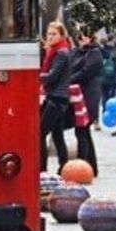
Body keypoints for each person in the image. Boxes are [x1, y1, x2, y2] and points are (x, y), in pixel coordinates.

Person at [39, 22, 72, 173]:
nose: (50, 37)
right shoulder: (55, 51)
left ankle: (42, 169)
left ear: (61, 35)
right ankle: (64, 167)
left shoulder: (61, 52)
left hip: (56, 98)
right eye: (49, 34)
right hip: (57, 97)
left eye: (54, 34)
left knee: (40, 133)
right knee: (57, 135)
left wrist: (35, 76)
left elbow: (53, 76)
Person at [70, 26, 102, 176]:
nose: (81, 38)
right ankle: (90, 166)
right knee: (82, 131)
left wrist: (68, 80)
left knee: (82, 129)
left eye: (84, 35)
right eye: (79, 36)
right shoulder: (76, 52)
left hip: (89, 95)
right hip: (77, 95)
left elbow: (86, 72)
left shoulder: (95, 53)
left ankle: (84, 165)